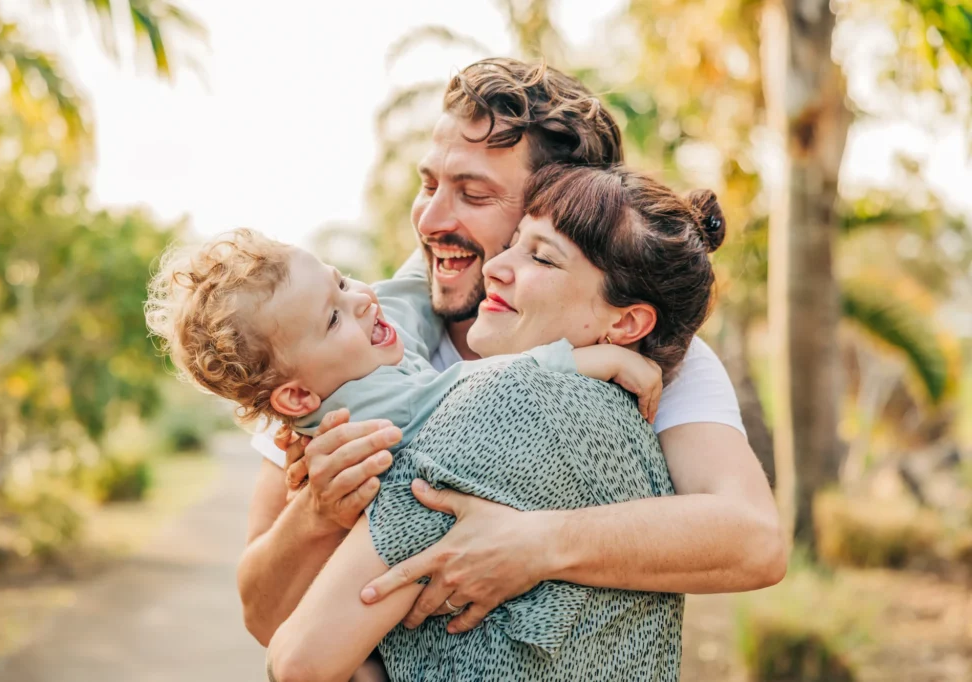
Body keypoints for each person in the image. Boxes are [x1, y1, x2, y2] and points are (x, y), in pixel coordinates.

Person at [237, 58, 785, 661]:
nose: (431, 219)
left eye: (472, 194)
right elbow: (264, 618)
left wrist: (534, 545)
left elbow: (753, 541)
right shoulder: (341, 344)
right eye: (429, 185)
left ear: (555, 203)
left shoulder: (645, 352)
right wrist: (316, 513)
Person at [265, 163, 734, 682]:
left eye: (540, 257)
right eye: (512, 241)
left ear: (624, 322)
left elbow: (298, 662)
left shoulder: (494, 407)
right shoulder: (640, 445)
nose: (494, 267)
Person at [144, 228, 663, 471]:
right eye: (332, 316)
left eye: (341, 281)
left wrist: (439, 232)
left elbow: (406, 296)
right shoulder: (365, 415)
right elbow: (484, 388)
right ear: (298, 398)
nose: (362, 300)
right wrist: (596, 359)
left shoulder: (354, 360)